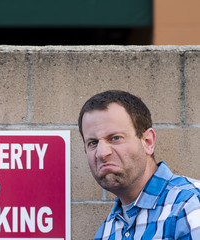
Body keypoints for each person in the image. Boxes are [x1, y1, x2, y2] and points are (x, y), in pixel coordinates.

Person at [78, 90, 200, 239]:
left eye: (115, 138)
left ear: (148, 142)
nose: (101, 153)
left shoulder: (189, 205)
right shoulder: (107, 232)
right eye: (93, 143)